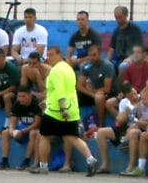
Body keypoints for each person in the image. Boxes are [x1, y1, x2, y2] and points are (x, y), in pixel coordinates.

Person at [31, 45, 99, 175]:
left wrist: (62, 109)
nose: (49, 58)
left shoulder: (56, 71)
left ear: (59, 54)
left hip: (56, 110)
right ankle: (90, 159)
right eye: (48, 55)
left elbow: (60, 91)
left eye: (51, 55)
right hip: (72, 107)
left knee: (44, 136)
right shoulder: (68, 68)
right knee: (72, 137)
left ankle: (43, 166)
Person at [94, 82, 140, 173]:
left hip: (138, 127)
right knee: (101, 132)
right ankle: (105, 165)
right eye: (131, 96)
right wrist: (126, 113)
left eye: (135, 93)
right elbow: (119, 119)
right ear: (126, 96)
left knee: (132, 131)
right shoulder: (124, 102)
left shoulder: (142, 100)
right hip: (125, 127)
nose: (134, 97)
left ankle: (130, 167)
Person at [0, 85, 42, 170]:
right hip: (23, 128)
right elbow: (12, 121)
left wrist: (23, 131)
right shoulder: (17, 104)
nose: (21, 99)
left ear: (30, 95)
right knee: (5, 133)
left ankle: (26, 161)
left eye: (23, 96)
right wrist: (11, 130)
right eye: (19, 96)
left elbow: (37, 123)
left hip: (34, 129)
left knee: (33, 133)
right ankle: (4, 161)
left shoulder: (36, 104)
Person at [76, 44, 115, 125]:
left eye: (94, 55)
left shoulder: (107, 66)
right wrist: (92, 94)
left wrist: (92, 91)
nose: (91, 58)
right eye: (89, 55)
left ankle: (101, 125)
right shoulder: (86, 66)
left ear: (100, 54)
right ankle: (78, 124)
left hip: (107, 93)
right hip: (93, 92)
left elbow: (107, 89)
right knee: (75, 94)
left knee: (99, 97)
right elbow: (79, 86)